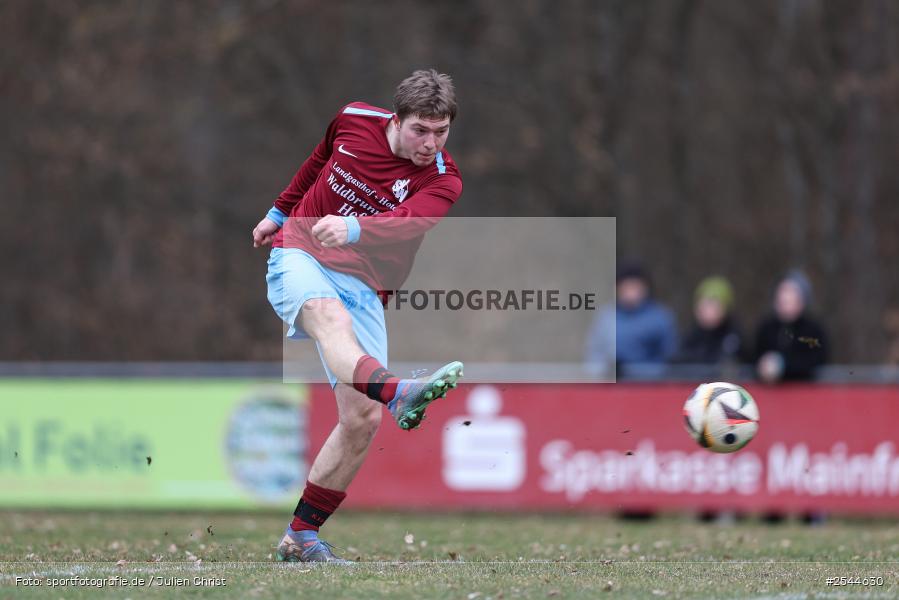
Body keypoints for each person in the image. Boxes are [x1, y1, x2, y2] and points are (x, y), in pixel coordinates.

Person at [252, 70, 465, 563]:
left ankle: (301, 537)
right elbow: (318, 161)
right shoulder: (353, 118)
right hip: (299, 252)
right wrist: (278, 213)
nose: (430, 143)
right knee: (331, 320)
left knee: (362, 419)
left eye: (441, 132)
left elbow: (409, 221)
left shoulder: (443, 179)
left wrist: (353, 228)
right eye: (420, 130)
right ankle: (398, 391)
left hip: (366, 285)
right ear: (396, 120)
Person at [584, 261, 678, 378]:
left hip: (649, 384)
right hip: (610, 384)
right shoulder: (605, 317)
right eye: (626, 286)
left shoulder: (660, 317)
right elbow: (594, 355)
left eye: (634, 286)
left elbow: (670, 361)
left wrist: (634, 370)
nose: (630, 292)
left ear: (645, 288)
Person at [753, 270, 828, 383]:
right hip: (768, 390)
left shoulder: (813, 330)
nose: (785, 298)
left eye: (791, 294)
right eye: (782, 293)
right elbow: (753, 357)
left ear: (802, 300)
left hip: (804, 389)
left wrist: (783, 365)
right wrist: (762, 365)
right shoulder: (766, 328)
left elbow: (817, 360)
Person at [675, 276, 744, 366]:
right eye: (702, 305)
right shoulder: (692, 333)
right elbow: (678, 359)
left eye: (712, 305)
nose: (706, 310)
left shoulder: (733, 335)